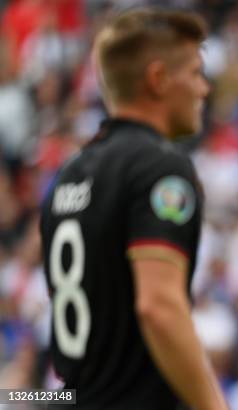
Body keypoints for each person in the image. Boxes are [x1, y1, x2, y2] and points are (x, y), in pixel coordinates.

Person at [39, 8, 228, 410]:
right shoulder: (160, 167)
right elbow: (158, 306)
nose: (204, 89)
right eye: (195, 73)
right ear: (158, 79)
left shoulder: (70, 175)